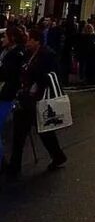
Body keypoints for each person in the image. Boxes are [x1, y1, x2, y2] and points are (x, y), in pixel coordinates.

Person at [8, 28, 67, 176]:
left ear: (37, 41)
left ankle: (58, 156)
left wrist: (36, 82)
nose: (27, 42)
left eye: (30, 40)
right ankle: (15, 166)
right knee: (20, 133)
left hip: (38, 99)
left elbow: (50, 76)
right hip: (25, 98)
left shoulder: (48, 55)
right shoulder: (27, 54)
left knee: (44, 131)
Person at [0, 26, 27, 170]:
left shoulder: (16, 54)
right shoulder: (8, 52)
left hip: (7, 94)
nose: (2, 39)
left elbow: (9, 75)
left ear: (12, 38)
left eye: (5, 37)